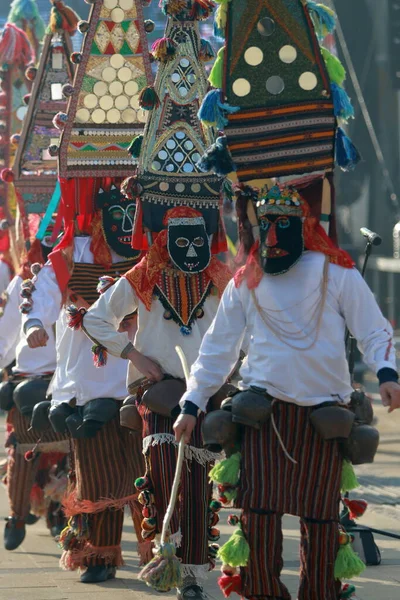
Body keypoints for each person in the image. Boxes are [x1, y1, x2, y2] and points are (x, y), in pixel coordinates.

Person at [174, 185, 400, 600]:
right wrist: (192, 403)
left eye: (284, 225)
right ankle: (263, 595)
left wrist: (387, 373)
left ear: (304, 225)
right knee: (257, 517)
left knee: (320, 520)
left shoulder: (337, 272)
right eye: (267, 225)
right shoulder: (246, 280)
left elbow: (373, 328)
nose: (273, 237)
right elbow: (218, 349)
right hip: (263, 418)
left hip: (323, 420)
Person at [83, 205, 232, 600]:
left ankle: (192, 577)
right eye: (181, 241)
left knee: (199, 484)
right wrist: (133, 355)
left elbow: (244, 330)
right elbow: (94, 319)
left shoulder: (221, 277)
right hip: (160, 393)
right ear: (165, 240)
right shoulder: (144, 276)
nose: (191, 249)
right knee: (165, 476)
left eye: (198, 241)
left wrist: (233, 372)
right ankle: (168, 557)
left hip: (205, 394)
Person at [23, 182, 147, 583]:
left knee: (150, 475)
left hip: (140, 379)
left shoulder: (149, 252)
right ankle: (99, 555)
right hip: (88, 386)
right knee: (97, 475)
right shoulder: (72, 252)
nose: (123, 224)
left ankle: (163, 550)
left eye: (131, 213)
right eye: (114, 215)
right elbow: (42, 293)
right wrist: (34, 325)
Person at [0, 240, 68, 550]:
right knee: (23, 451)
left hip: (68, 381)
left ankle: (61, 516)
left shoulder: (80, 275)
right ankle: (17, 515)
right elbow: (7, 334)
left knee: (67, 455)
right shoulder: (21, 283)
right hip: (29, 380)